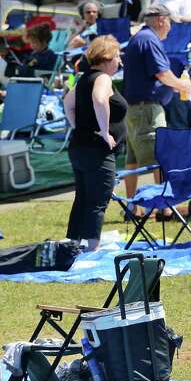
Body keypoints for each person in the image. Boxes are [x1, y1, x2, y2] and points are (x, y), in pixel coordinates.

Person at [121, 3, 191, 198]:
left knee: (132, 160)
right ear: (162, 20)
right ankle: (166, 208)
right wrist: (182, 85)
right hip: (147, 110)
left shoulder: (139, 38)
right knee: (161, 157)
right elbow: (163, 74)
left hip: (134, 110)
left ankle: (131, 206)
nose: (171, 27)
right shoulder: (150, 40)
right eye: (170, 21)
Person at [63, 35, 126, 251]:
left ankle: (73, 243)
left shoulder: (84, 78)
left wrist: (77, 127)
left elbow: (67, 104)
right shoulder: (102, 79)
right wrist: (104, 131)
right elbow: (100, 100)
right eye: (117, 56)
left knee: (82, 197)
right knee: (98, 199)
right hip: (96, 150)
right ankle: (93, 249)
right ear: (107, 58)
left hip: (79, 146)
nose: (119, 61)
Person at [0, 22, 57, 95]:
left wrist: (18, 69)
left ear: (44, 41)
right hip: (17, 79)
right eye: (31, 42)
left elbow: (35, 73)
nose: (32, 46)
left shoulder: (48, 56)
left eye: (34, 43)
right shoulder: (38, 53)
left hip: (18, 83)